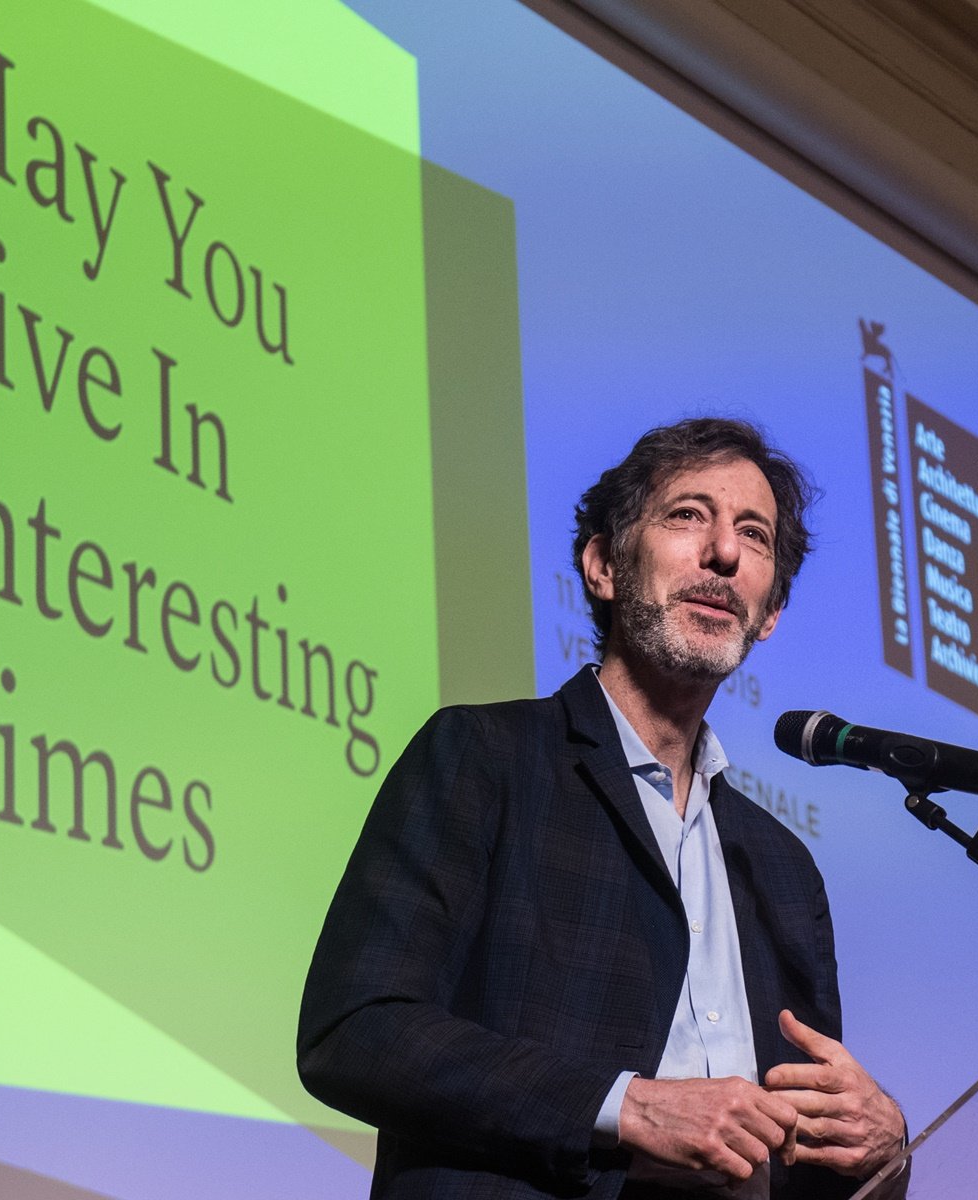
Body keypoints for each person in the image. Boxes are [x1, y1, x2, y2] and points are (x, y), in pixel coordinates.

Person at [298, 417, 905, 1199]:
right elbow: (357, 1028)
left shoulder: (783, 870)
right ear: (602, 565)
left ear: (770, 612)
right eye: (688, 515)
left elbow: (811, 1154)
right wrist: (624, 1108)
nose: (723, 552)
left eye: (753, 534)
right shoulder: (487, 757)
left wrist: (882, 1146)